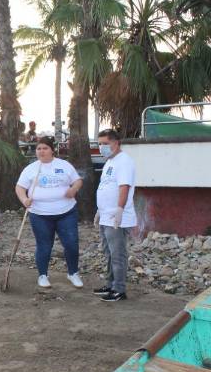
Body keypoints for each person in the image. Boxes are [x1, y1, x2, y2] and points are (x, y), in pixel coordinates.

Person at [15, 136, 84, 289]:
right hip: (40, 214)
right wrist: (24, 200)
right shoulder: (31, 168)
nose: (41, 151)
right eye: (39, 148)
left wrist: (73, 189)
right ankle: (43, 275)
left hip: (66, 212)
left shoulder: (64, 165)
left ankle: (73, 273)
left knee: (71, 243)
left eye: (45, 148)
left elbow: (78, 180)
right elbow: (19, 188)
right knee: (44, 245)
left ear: (52, 150)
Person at [93, 129, 137, 302]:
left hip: (116, 216)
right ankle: (110, 284)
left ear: (116, 142)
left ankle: (119, 289)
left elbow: (123, 187)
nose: (102, 147)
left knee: (117, 254)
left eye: (106, 143)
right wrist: (99, 210)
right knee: (108, 252)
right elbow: (106, 187)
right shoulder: (109, 162)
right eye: (100, 144)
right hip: (106, 215)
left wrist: (119, 209)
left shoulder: (124, 161)